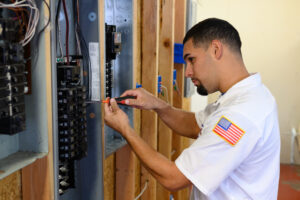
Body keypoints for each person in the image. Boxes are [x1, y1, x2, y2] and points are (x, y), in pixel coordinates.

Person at [104, 18, 280, 200]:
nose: (187, 72)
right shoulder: (246, 96)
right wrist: (156, 104)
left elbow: (173, 178)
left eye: (191, 59)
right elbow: (194, 125)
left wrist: (125, 129)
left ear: (216, 49)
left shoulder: (240, 114)